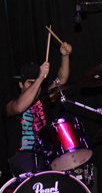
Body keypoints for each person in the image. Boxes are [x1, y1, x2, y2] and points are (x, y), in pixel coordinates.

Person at [5, 42, 73, 175]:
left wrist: (65, 56)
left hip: (44, 154)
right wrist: (40, 78)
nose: (34, 86)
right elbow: (19, 108)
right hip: (21, 156)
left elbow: (61, 79)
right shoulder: (11, 102)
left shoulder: (43, 98)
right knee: (36, 172)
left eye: (37, 83)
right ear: (20, 84)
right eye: (30, 83)